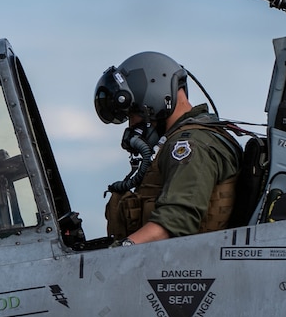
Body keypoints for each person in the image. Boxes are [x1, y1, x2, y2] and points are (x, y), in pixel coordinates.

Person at [94, 51, 241, 244]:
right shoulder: (187, 140)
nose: (131, 125)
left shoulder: (191, 145)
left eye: (132, 114)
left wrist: (117, 253)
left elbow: (174, 222)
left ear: (150, 99)